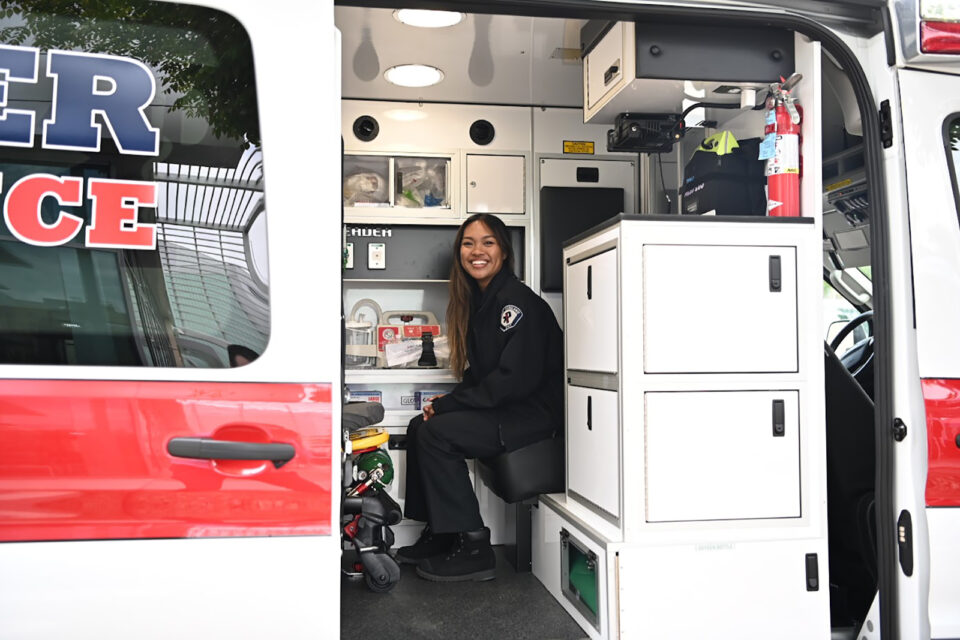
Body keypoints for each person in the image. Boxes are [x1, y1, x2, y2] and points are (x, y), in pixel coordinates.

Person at [395, 213, 564, 582]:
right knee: (419, 425)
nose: (477, 251)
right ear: (459, 254)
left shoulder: (515, 304)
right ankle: (442, 534)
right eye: (469, 244)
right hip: (508, 408)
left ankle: (474, 546)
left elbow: (512, 381)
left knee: (436, 433)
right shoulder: (482, 303)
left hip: (531, 415)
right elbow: (480, 375)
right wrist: (442, 404)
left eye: (488, 242)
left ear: (504, 250)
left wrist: (448, 405)